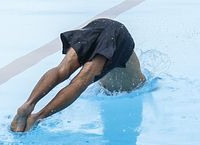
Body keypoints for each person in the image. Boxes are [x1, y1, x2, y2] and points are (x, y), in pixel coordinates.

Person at [12, 18, 145, 132]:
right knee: (80, 82)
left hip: (99, 24)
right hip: (118, 36)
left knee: (61, 69)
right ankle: (37, 117)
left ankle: (28, 104)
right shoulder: (136, 83)